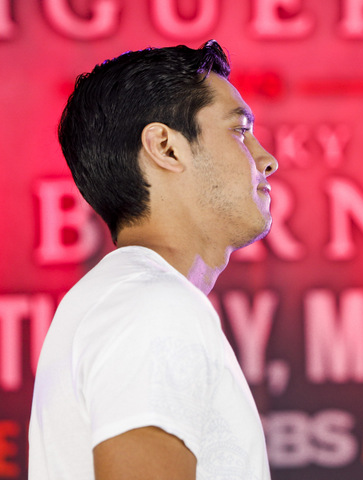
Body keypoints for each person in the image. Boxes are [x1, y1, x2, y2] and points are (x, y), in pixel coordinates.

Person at [29, 40, 278, 479]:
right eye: (240, 130)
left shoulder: (131, 298)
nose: (266, 159)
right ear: (165, 147)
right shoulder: (153, 304)